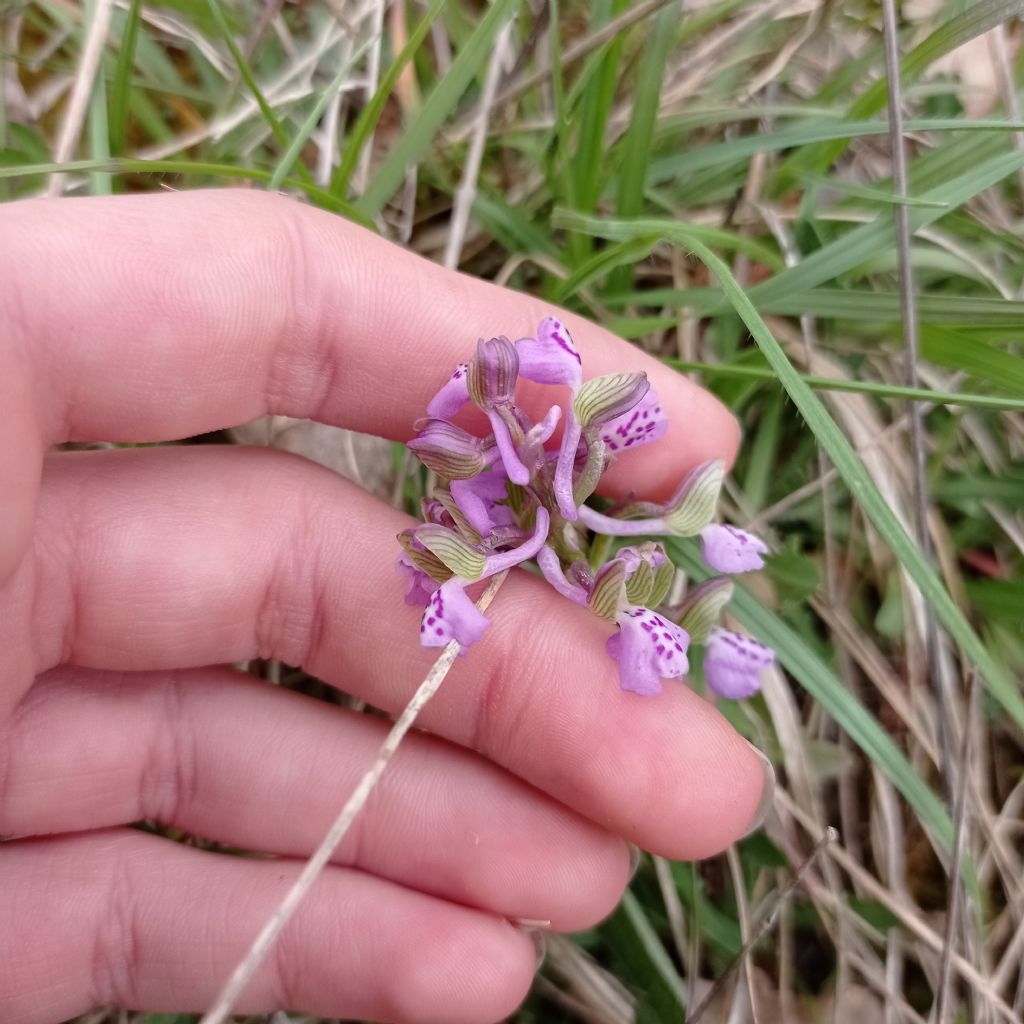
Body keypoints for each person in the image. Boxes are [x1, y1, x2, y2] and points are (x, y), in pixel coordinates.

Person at [0, 189, 772, 1024]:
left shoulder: (567, 445)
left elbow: (566, 511)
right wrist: (482, 541)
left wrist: (591, 553)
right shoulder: (486, 487)